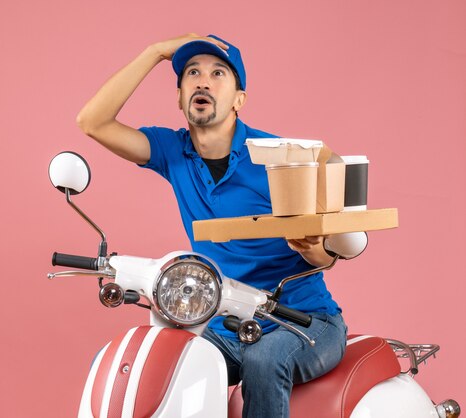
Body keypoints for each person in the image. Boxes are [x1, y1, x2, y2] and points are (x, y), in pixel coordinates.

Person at [77, 33, 347, 418]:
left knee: (264, 359)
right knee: (146, 360)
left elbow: (327, 247)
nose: (203, 80)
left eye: (218, 73)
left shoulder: (281, 158)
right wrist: (153, 53)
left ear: (239, 99)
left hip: (305, 322)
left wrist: (311, 248)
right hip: (226, 323)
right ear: (180, 96)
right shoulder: (173, 151)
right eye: (192, 73)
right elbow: (92, 121)